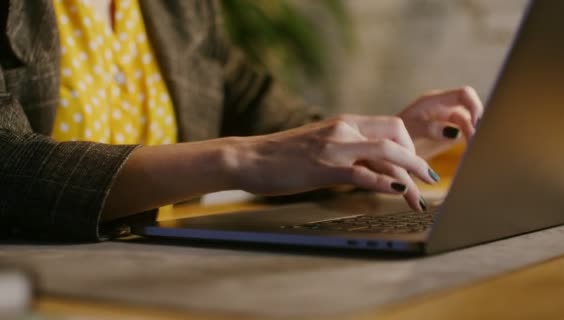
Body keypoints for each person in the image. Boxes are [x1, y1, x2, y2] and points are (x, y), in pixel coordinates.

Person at [0, 0, 483, 241]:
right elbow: (9, 161)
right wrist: (242, 157)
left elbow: (265, 109)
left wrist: (376, 149)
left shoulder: (181, 9)